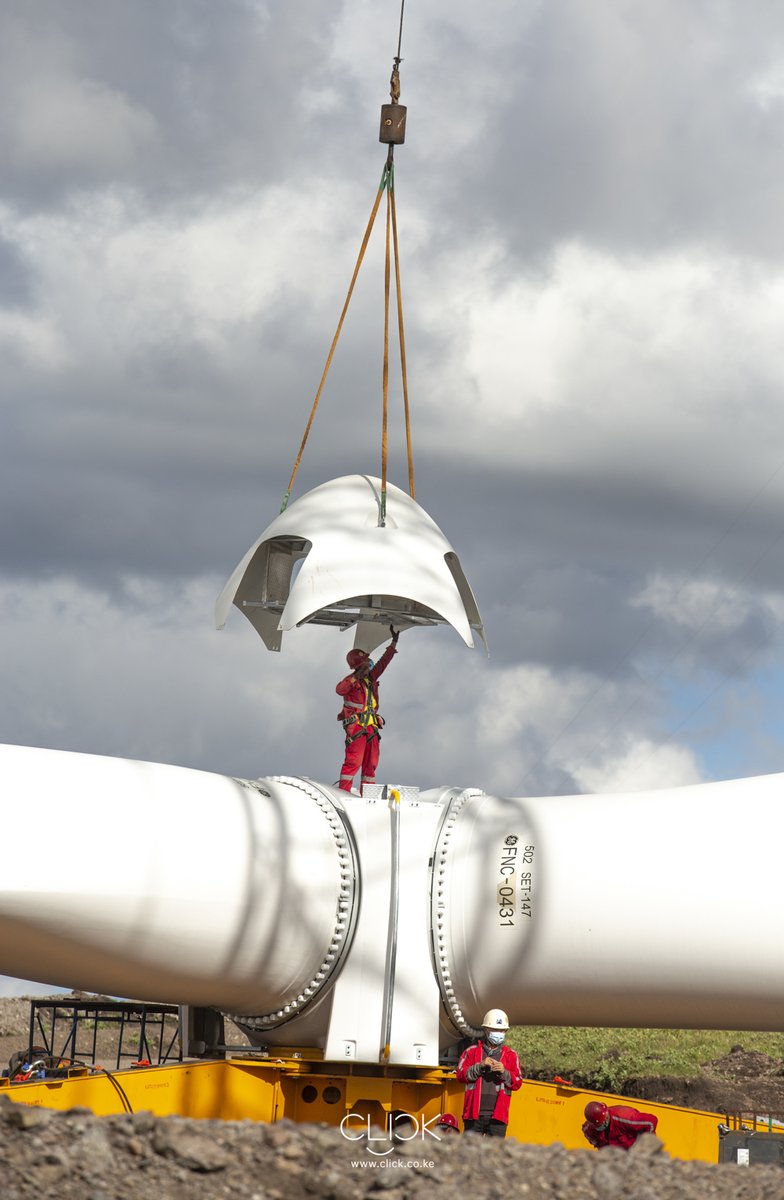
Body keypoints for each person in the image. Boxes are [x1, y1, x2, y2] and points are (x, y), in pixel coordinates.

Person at [336, 626, 399, 794]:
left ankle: (368, 796)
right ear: (358, 666)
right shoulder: (351, 681)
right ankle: (343, 794)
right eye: (365, 663)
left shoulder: (370, 679)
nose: (369, 665)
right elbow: (340, 690)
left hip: (371, 728)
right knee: (353, 762)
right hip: (356, 728)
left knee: (371, 764)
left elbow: (383, 663)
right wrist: (355, 677)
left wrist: (393, 644)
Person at [456, 1008, 522, 1137]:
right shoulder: (471, 1052)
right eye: (495, 1030)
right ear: (486, 1030)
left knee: (495, 1156)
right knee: (470, 1155)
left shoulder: (511, 1055)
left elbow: (518, 1083)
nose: (499, 1033)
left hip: (498, 1116)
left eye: (501, 1030)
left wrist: (504, 1072)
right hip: (473, 1114)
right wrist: (479, 1066)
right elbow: (460, 1075)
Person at [582, 1100, 659, 1150]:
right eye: (599, 1125)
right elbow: (599, 1146)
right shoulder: (589, 1130)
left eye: (605, 1120)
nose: (603, 1125)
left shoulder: (625, 1117)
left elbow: (651, 1121)